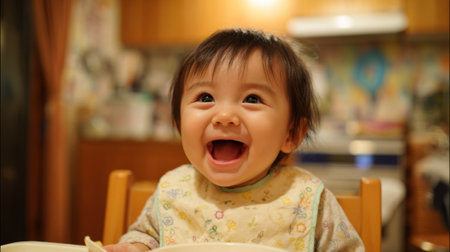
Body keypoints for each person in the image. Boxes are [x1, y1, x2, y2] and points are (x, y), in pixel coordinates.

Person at [104, 28, 364, 252]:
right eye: (205, 97)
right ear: (179, 125)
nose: (225, 116)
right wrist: (134, 246)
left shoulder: (308, 200)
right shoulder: (174, 189)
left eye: (252, 99)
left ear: (291, 134)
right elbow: (145, 236)